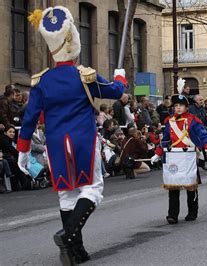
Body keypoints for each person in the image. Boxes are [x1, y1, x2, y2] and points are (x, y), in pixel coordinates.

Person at [18, 7, 127, 265]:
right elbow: (114, 91)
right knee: (93, 189)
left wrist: (22, 151)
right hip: (82, 142)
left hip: (55, 145)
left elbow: (29, 119)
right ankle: (67, 235)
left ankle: (75, 251)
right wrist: (120, 77)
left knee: (67, 195)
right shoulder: (84, 76)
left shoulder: (41, 82)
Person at [153, 80, 207, 224]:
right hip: (174, 156)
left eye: (181, 105)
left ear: (186, 107)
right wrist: (157, 153)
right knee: (173, 186)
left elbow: (203, 135)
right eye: (176, 105)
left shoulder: (193, 120)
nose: (178, 108)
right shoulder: (169, 121)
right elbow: (165, 140)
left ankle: (192, 212)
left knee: (190, 186)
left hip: (188, 156)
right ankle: (172, 215)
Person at [0, 125, 30, 190]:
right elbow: (11, 150)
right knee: (16, 164)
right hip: (5, 159)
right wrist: (21, 157)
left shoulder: (10, 140)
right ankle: (25, 182)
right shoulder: (3, 140)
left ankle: (25, 182)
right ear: (5, 132)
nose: (12, 133)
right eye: (10, 132)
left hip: (10, 158)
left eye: (13, 132)